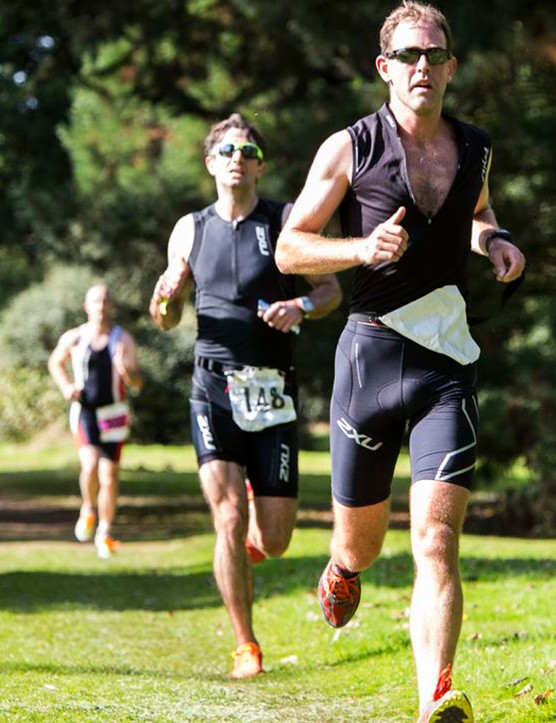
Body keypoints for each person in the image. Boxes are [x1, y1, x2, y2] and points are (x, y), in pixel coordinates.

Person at [275, 2, 525, 721]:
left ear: (450, 66)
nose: (424, 67)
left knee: (438, 536)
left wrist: (494, 241)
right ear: (385, 68)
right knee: (364, 544)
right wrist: (359, 250)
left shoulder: (474, 148)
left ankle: (435, 697)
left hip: (449, 362)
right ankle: (344, 566)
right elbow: (291, 246)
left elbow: (480, 213)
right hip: (370, 360)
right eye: (410, 55)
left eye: (435, 55)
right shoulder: (349, 147)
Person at [149, 113, 342, 679]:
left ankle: (248, 546)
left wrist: (299, 306)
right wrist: (165, 302)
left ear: (260, 164)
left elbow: (330, 289)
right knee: (228, 517)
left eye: (248, 149)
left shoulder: (285, 221)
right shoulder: (189, 228)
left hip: (273, 390)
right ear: (211, 162)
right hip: (212, 387)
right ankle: (245, 645)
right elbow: (167, 316)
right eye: (228, 149)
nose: (238, 156)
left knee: (276, 540)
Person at [48, 284, 144, 559]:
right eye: (95, 301)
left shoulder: (122, 339)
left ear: (111, 306)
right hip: (86, 412)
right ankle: (88, 509)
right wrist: (66, 386)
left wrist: (128, 374)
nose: (100, 306)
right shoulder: (75, 337)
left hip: (114, 413)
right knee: (89, 466)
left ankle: (105, 531)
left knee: (109, 475)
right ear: (86, 306)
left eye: (105, 301)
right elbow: (55, 362)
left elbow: (138, 383)